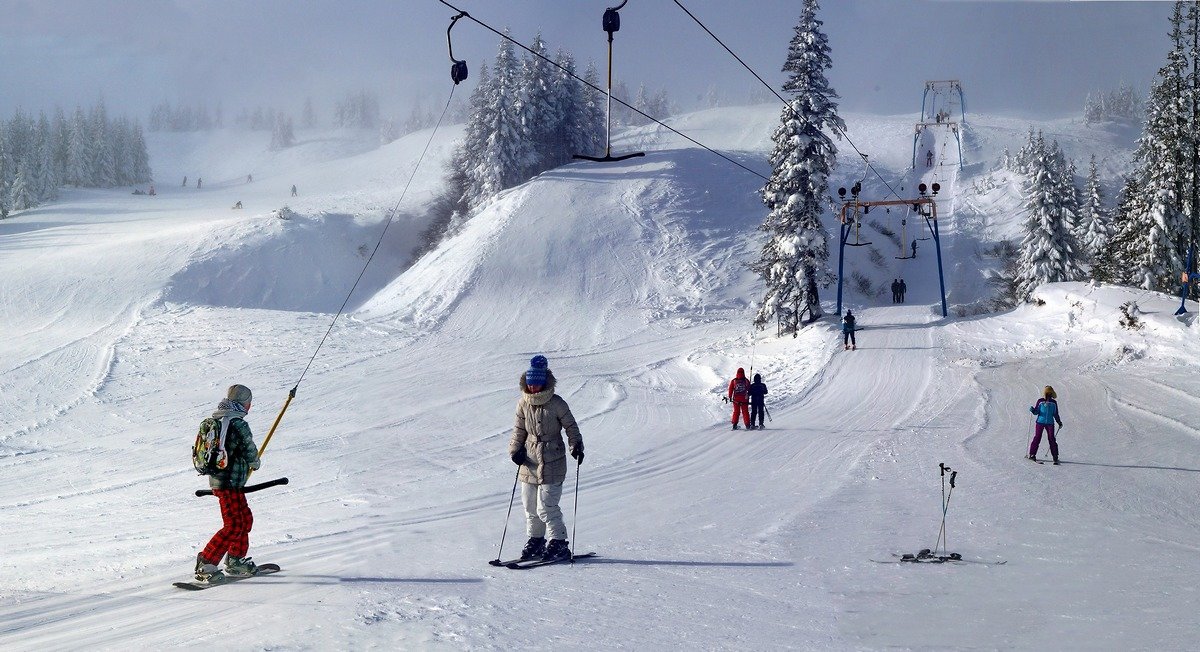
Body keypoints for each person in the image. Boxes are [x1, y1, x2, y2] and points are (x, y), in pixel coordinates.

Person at [510, 355, 584, 562]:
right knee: (530, 506)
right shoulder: (523, 404)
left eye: (536, 384)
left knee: (547, 506)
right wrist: (515, 451)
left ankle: (559, 542)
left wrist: (576, 445)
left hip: (553, 459)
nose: (533, 389)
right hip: (529, 461)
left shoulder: (557, 403)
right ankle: (536, 540)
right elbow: (518, 430)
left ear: (544, 383)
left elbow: (571, 427)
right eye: (530, 385)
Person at [194, 384, 263, 581]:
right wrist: (255, 463)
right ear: (244, 404)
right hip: (229, 483)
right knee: (233, 525)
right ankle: (206, 563)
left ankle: (235, 560)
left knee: (244, 520)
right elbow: (250, 450)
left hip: (226, 482)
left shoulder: (218, 419)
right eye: (249, 403)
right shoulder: (238, 423)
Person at [1028, 385, 1064, 464]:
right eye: (1047, 393)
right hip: (1041, 422)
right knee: (1038, 437)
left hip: (1049, 423)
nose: (1048, 394)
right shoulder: (1040, 401)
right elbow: (1037, 412)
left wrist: (1059, 421)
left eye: (1049, 393)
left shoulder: (1053, 403)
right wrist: (1033, 410)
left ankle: (1055, 456)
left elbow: (1055, 414)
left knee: (1051, 438)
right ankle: (1032, 454)